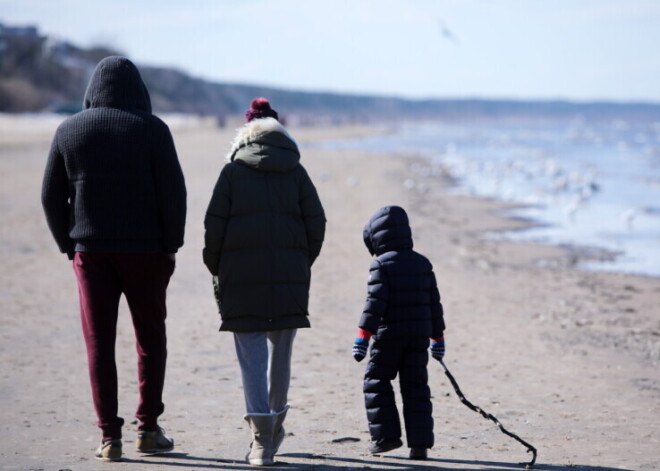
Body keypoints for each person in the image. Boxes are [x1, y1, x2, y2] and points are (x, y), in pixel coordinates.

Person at [41, 56, 187, 462]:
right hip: (147, 251)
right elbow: (174, 194)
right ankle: (148, 429)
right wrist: (171, 245)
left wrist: (68, 245)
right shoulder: (153, 130)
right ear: (139, 90)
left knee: (98, 343)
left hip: (91, 252)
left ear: (92, 90)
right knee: (150, 340)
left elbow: (50, 196)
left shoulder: (69, 129)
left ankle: (109, 437)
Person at [203, 98, 325, 466]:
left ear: (246, 134)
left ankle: (261, 442)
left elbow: (213, 228)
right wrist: (301, 262)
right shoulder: (297, 171)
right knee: (281, 357)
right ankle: (274, 430)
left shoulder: (232, 171)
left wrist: (218, 269)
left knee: (252, 360)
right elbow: (316, 224)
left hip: (241, 278)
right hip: (289, 277)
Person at [352, 205, 445, 460]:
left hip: (389, 336)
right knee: (416, 387)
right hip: (418, 338)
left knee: (376, 380)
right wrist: (438, 338)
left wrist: (363, 337)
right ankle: (420, 445)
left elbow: (374, 304)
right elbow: (434, 305)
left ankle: (386, 438)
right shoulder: (423, 263)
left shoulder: (381, 264)